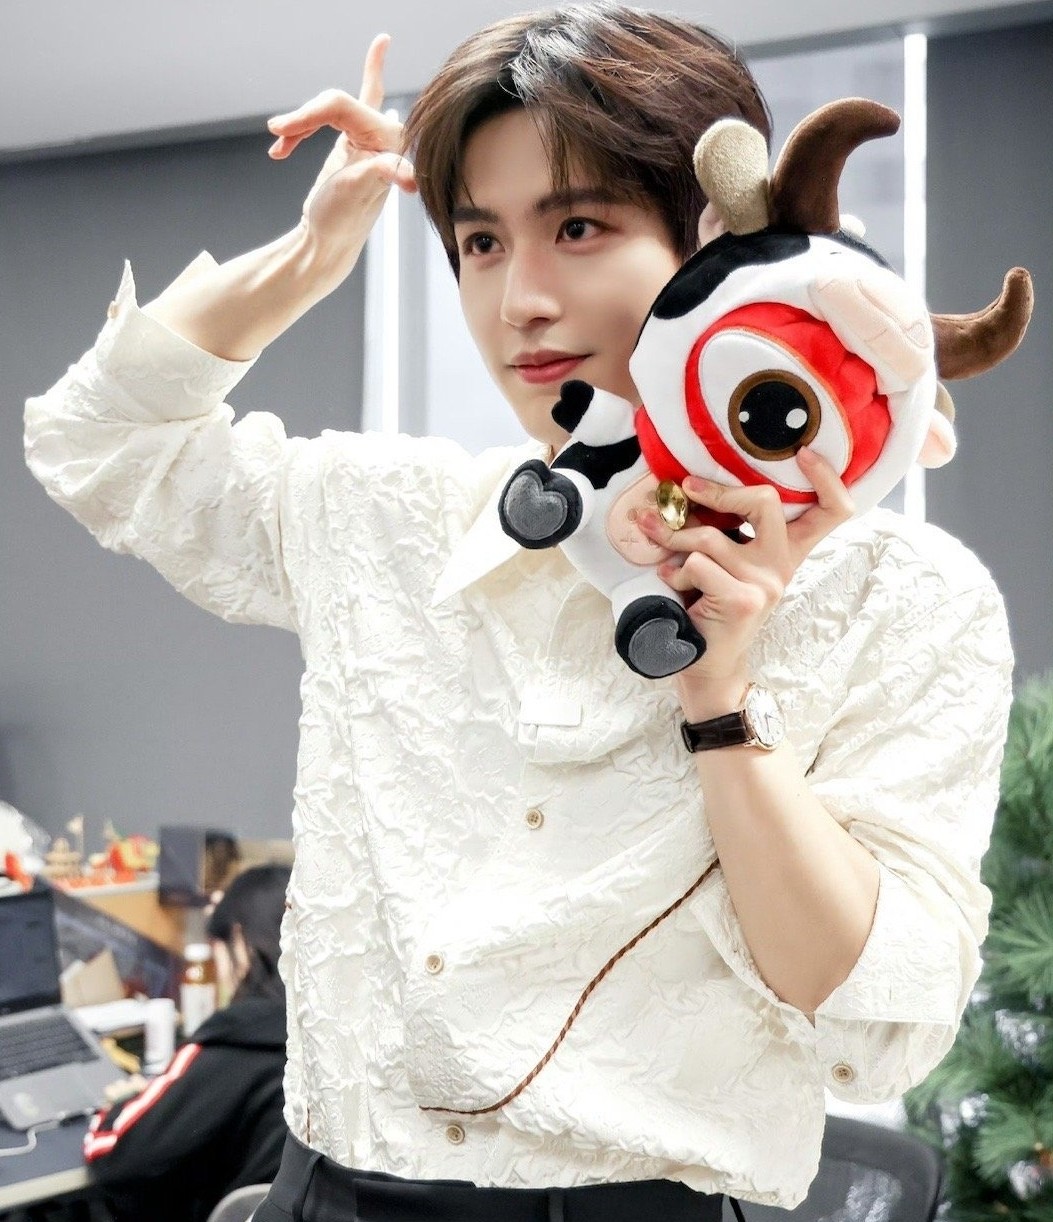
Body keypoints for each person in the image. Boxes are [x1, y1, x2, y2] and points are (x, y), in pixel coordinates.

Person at [24, 4, 1013, 1219]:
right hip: (327, 1196)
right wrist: (311, 257)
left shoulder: (899, 596)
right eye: (479, 242)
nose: (519, 301)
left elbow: (871, 1012)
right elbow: (94, 444)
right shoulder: (392, 515)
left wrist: (719, 701)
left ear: (721, 251)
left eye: (578, 227)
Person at [83, 865, 290, 1222]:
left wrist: (122, 1105)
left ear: (240, 945)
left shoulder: (230, 1048)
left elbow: (115, 1154)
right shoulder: (336, 1044)